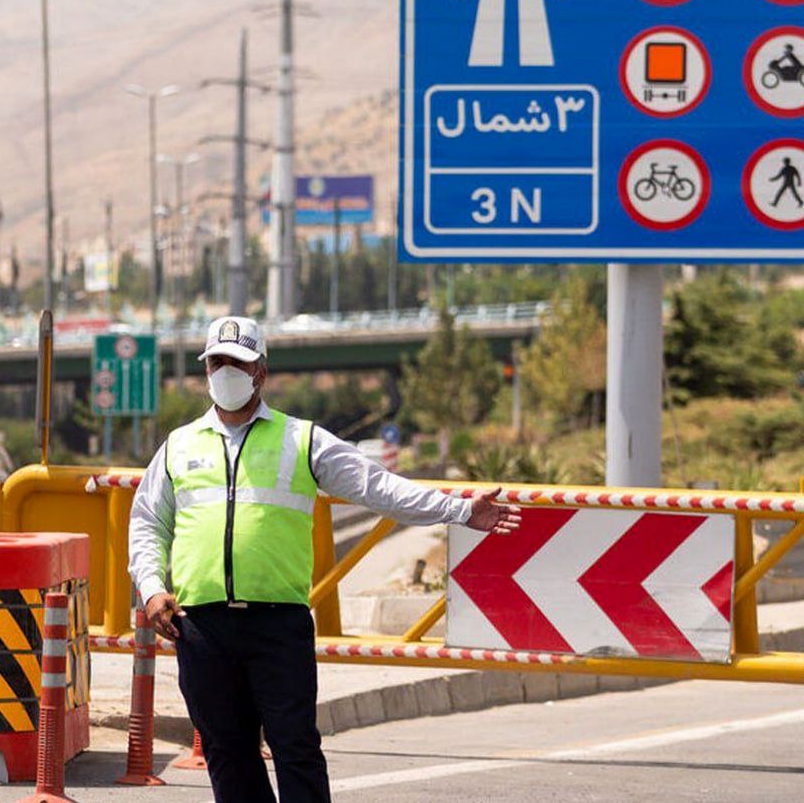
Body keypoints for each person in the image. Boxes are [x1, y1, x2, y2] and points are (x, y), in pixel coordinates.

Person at [128, 316, 521, 802]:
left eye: (238, 362)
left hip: (278, 625)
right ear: (205, 368)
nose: (226, 370)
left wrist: (459, 510)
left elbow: (379, 488)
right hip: (202, 627)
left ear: (261, 373)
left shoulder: (302, 440)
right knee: (228, 754)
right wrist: (150, 588)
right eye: (218, 362)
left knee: (295, 749)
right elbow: (147, 522)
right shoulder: (178, 446)